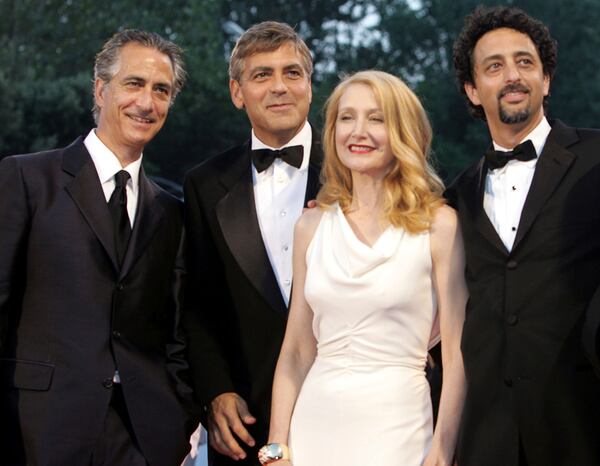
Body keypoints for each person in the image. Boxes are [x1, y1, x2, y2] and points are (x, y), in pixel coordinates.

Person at [0, 30, 195, 465]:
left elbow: (177, 335)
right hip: (35, 432)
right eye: (134, 84)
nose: (146, 103)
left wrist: (177, 424)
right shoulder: (25, 180)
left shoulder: (171, 212)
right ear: (101, 89)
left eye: (160, 90)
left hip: (141, 441)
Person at [261, 70, 467, 466]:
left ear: (403, 132)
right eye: (346, 117)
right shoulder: (310, 226)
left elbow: (457, 354)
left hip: (402, 430)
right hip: (312, 431)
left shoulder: (439, 226)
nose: (358, 131)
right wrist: (277, 446)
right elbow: (297, 350)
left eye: (376, 119)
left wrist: (443, 449)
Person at [448, 5, 600, 465]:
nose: (512, 75)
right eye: (494, 66)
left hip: (584, 426)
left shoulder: (597, 159)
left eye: (525, 62)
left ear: (546, 80)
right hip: (488, 439)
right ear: (473, 91)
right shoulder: (452, 200)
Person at [183, 21, 321, 465]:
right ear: (237, 91)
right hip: (245, 425)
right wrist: (215, 390)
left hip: (351, 410)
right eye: (262, 75)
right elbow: (199, 304)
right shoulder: (203, 185)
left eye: (292, 73)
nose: (280, 87)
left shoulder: (360, 170)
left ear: (310, 86)